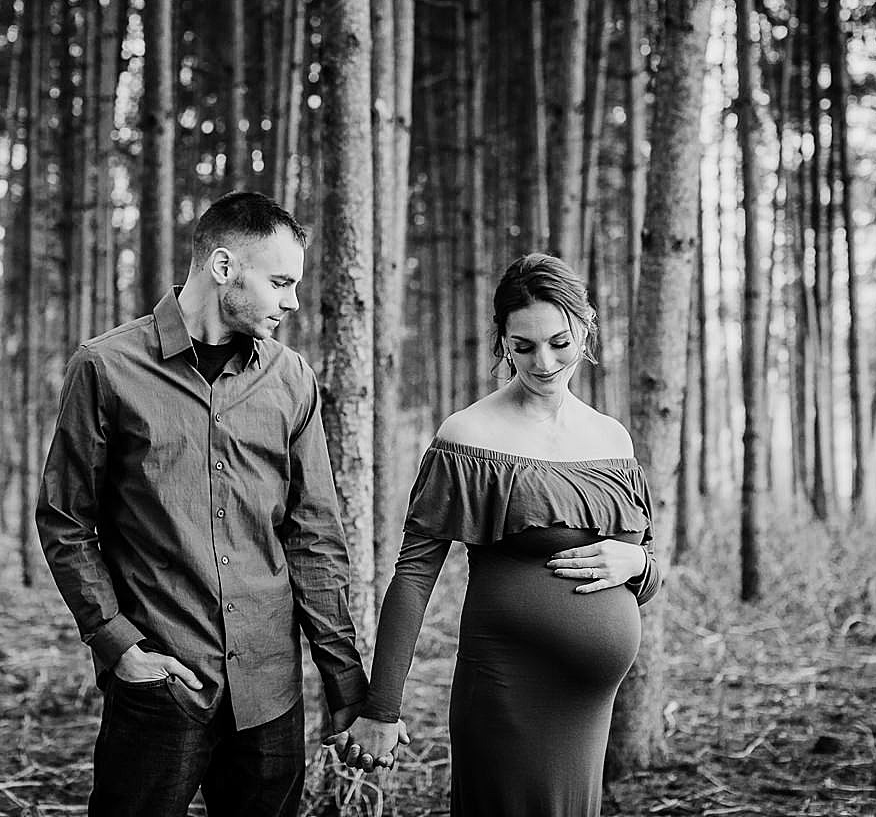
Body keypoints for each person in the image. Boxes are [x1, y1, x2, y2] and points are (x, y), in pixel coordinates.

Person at [35, 191, 379, 817]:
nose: (292, 301)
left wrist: (344, 680)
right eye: (279, 282)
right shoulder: (106, 369)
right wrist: (119, 647)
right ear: (223, 268)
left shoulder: (292, 378)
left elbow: (314, 537)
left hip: (270, 695)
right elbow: (65, 520)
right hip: (160, 685)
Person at [334, 252, 663, 815]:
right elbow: (414, 577)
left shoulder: (613, 440)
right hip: (507, 688)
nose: (543, 362)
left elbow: (644, 566)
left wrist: (637, 567)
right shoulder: (468, 436)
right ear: (502, 341)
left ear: (585, 329)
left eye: (560, 342)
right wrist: (381, 708)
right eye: (523, 345)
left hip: (586, 706)